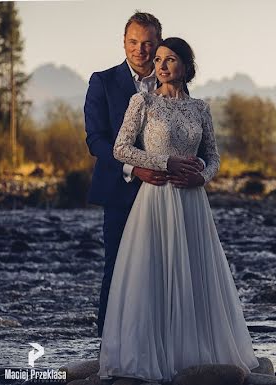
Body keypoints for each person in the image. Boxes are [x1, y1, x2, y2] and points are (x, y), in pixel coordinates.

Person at [97, 37, 260, 382]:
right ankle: (152, 354)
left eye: (170, 60)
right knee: (154, 273)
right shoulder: (141, 102)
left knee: (194, 275)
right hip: (156, 199)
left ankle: (194, 356)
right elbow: (120, 149)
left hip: (191, 202)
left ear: (186, 66)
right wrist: (164, 161)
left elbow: (214, 156)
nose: (161, 66)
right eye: (158, 60)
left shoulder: (200, 108)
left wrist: (204, 177)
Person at [84, 11, 205, 339]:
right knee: (120, 267)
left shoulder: (174, 83)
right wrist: (136, 167)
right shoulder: (103, 81)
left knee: (169, 268)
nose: (140, 49)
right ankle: (110, 345)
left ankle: (162, 340)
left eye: (148, 42)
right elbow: (96, 140)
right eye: (133, 42)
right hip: (121, 189)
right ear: (123, 42)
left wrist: (201, 174)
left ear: (159, 43)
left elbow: (194, 143)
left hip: (171, 194)